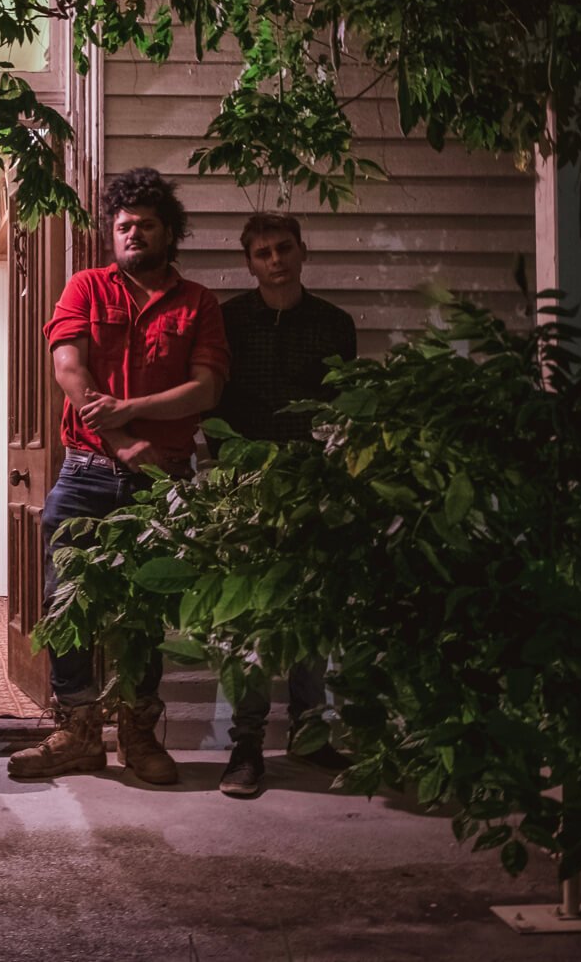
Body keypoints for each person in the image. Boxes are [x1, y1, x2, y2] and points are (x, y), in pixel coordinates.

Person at [7, 167, 229, 784]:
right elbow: (69, 371)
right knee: (64, 599)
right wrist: (123, 440)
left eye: (146, 225)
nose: (133, 234)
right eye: (124, 225)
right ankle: (76, 732)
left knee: (144, 607)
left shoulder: (198, 303)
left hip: (163, 480)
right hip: (83, 472)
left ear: (168, 232)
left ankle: (137, 732)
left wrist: (131, 411)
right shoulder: (85, 287)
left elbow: (206, 388)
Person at [209, 212, 356, 798]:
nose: (275, 260)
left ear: (302, 251)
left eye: (284, 248)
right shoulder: (229, 321)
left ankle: (308, 731)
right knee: (244, 615)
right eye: (263, 252)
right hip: (243, 488)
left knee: (311, 612)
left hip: (313, 485)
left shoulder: (334, 324)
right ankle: (246, 744)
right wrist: (231, 471)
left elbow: (341, 406)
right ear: (249, 263)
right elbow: (214, 399)